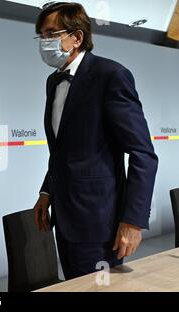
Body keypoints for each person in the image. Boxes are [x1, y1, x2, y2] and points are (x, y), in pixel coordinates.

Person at [33, 2, 158, 280]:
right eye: (42, 34)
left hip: (100, 223)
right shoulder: (53, 82)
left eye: (52, 33)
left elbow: (143, 154)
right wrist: (46, 192)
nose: (44, 41)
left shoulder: (111, 76)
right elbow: (64, 150)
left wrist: (133, 221)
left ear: (76, 37)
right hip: (64, 218)